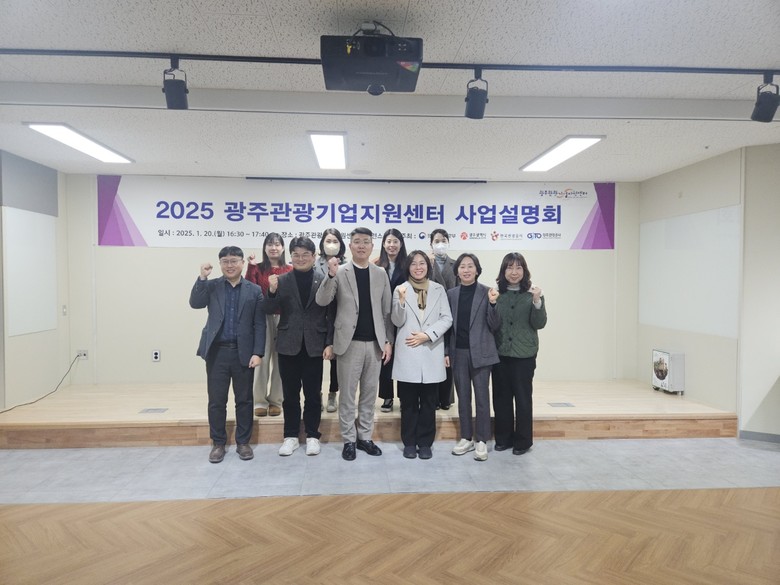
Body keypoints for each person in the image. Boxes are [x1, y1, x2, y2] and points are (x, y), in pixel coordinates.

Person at [315, 227, 393, 461]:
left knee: (369, 395)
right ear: (349, 246)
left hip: (375, 344)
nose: (361, 245)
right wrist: (330, 275)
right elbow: (322, 300)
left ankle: (365, 437)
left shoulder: (380, 273)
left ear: (372, 246)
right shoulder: (340, 272)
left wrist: (388, 341)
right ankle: (349, 440)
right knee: (348, 396)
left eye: (366, 241)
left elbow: (387, 311)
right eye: (357, 241)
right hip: (348, 344)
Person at [189, 245, 265, 464]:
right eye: (225, 262)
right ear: (220, 264)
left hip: (244, 353)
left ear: (242, 263)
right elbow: (195, 303)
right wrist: (202, 278)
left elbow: (259, 325)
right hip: (217, 352)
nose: (230, 265)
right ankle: (218, 443)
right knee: (216, 401)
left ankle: (243, 442)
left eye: (234, 261)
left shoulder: (254, 290)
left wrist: (258, 352)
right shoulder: (212, 286)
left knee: (244, 400)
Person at [263, 236, 333, 457]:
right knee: (290, 394)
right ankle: (290, 436)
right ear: (290, 256)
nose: (300, 259)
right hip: (288, 344)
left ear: (314, 256)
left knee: (313, 394)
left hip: (314, 345)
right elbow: (268, 309)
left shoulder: (323, 280)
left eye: (305, 255)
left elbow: (331, 314)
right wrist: (271, 291)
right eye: (296, 255)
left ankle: (313, 436)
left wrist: (329, 342)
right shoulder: (281, 280)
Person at [391, 251, 453, 459]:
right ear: (408, 267)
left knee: (428, 402)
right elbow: (397, 321)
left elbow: (447, 318)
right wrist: (400, 302)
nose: (418, 267)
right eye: (414, 264)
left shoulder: (438, 289)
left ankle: (425, 443)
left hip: (430, 350)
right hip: (408, 352)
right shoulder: (400, 289)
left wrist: (427, 335)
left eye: (422, 263)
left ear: (428, 266)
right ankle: (409, 442)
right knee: (408, 402)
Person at [445, 253, 500, 462]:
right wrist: (446, 352)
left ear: (477, 270)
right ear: (457, 271)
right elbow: (446, 326)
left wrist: (493, 304)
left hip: (482, 352)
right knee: (463, 398)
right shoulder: (451, 294)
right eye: (462, 266)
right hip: (458, 352)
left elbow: (495, 325)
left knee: (482, 398)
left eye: (470, 266)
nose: (466, 270)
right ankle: (466, 437)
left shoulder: (488, 292)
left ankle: (482, 439)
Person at [491, 252, 547, 455]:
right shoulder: (496, 294)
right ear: (503, 271)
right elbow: (492, 324)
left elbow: (539, 323)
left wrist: (537, 301)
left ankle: (523, 442)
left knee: (523, 399)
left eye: (518, 267)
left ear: (524, 271)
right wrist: (492, 304)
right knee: (501, 398)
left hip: (524, 355)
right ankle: (503, 438)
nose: (514, 272)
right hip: (500, 353)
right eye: (509, 268)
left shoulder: (533, 294)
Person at [246, 232, 292, 418]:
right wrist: (250, 266)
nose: (274, 248)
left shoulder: (290, 269)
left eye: (277, 244)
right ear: (265, 248)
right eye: (270, 244)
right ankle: (259, 401)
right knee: (262, 360)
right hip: (262, 318)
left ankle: (276, 400)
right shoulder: (257, 268)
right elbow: (249, 289)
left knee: (282, 362)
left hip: (285, 319)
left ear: (283, 248)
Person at [374, 228, 408, 413]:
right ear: (383, 244)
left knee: (402, 358)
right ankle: (387, 396)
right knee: (384, 358)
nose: (392, 245)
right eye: (389, 241)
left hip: (403, 315)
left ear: (401, 244)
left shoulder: (408, 264)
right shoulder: (376, 264)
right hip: (382, 316)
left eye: (395, 241)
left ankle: (403, 397)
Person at [314, 228, 346, 413]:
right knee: (315, 360)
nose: (331, 244)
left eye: (335, 241)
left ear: (341, 244)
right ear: (322, 244)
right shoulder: (314, 264)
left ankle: (333, 393)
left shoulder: (347, 265)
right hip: (317, 317)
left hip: (338, 316)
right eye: (328, 241)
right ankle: (316, 393)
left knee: (336, 359)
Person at [428, 228, 457, 410]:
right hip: (431, 314)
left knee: (449, 355)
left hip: (451, 312)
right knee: (433, 355)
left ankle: (446, 398)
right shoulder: (426, 263)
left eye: (443, 240)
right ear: (431, 244)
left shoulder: (456, 264)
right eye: (437, 240)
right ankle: (432, 398)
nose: (440, 244)